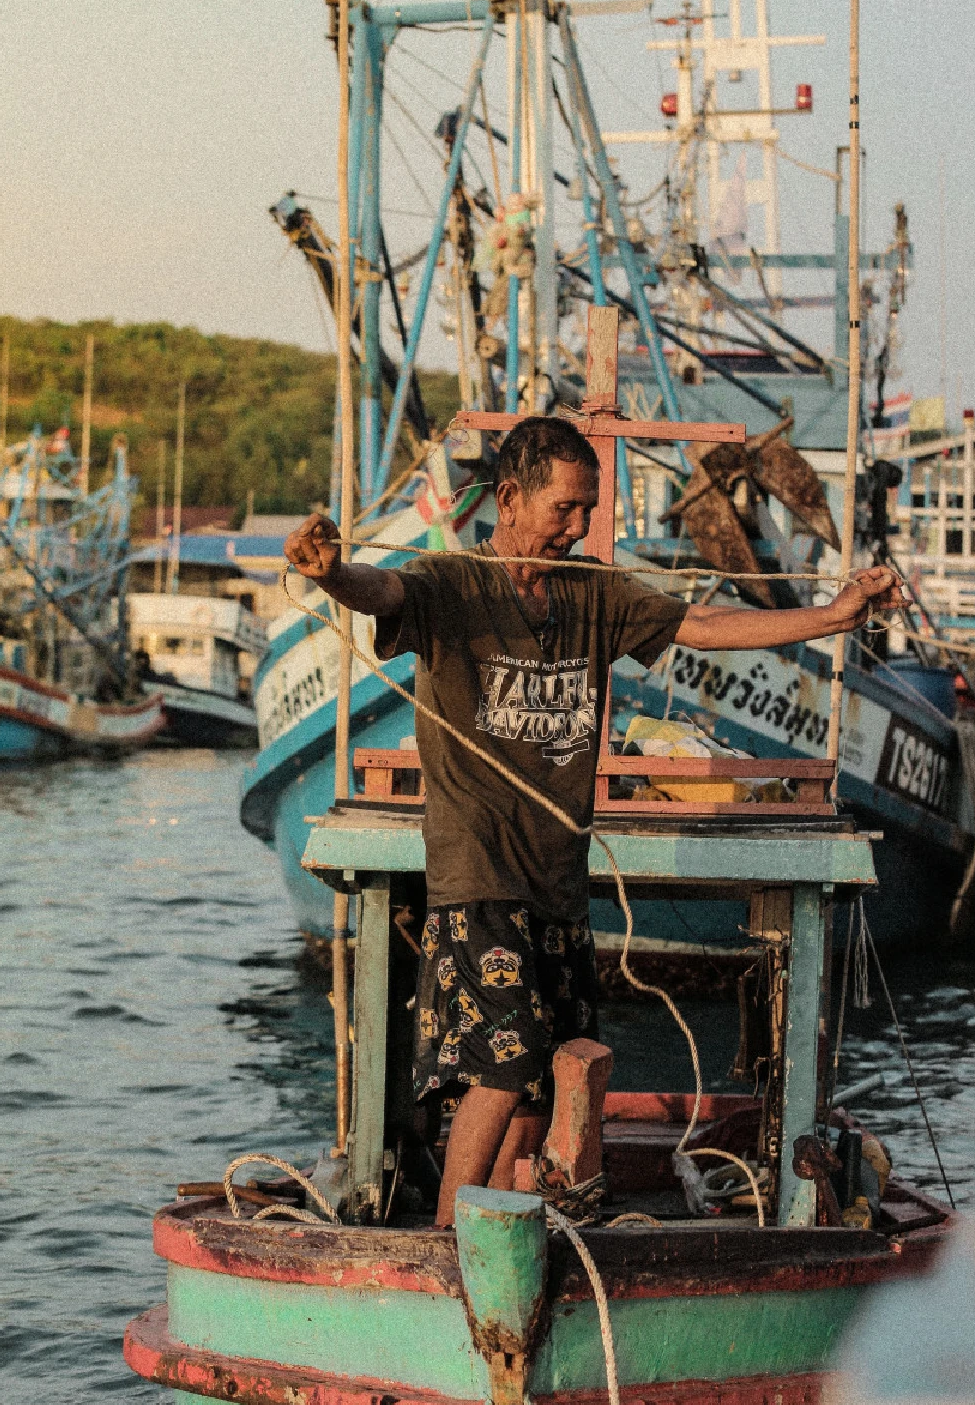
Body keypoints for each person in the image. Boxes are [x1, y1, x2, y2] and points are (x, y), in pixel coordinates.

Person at [285, 415, 904, 1226]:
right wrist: (333, 575)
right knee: (504, 1069)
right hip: (478, 879)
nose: (579, 527)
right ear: (508, 499)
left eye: (589, 510)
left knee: (545, 1090)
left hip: (557, 885)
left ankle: (507, 1238)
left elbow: (703, 627)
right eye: (565, 509)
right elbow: (382, 590)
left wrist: (831, 616)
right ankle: (445, 1239)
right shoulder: (450, 584)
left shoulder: (595, 595)